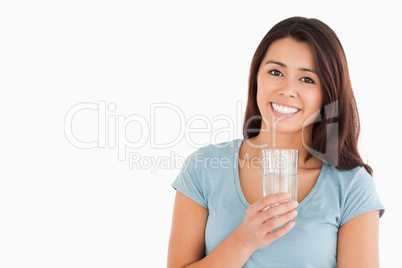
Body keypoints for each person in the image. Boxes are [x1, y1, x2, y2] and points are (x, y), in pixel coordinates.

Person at [167, 16, 384, 267]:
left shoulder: (352, 186)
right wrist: (244, 241)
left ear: (328, 93)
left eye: (307, 79)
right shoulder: (203, 168)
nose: (286, 89)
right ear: (255, 78)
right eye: (275, 72)